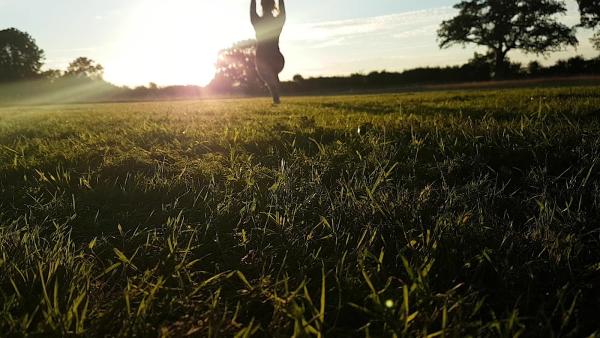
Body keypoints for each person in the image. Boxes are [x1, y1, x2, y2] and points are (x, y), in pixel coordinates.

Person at [250, 0, 286, 104]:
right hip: (277, 58)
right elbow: (282, 10)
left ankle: (275, 92)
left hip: (262, 58)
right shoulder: (278, 20)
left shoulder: (257, 22)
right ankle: (275, 92)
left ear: (261, 5)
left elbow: (252, 11)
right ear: (273, 5)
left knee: (269, 75)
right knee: (272, 75)